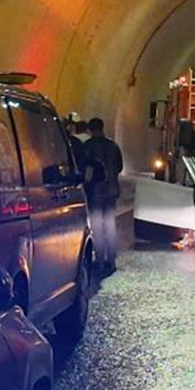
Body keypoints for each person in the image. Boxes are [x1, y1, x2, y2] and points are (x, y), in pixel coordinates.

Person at [84, 117, 123, 274]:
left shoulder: (88, 147)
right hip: (111, 190)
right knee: (110, 224)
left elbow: (85, 169)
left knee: (97, 226)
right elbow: (120, 166)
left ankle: (100, 260)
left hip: (95, 191)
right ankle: (111, 260)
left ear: (90, 130)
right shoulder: (113, 146)